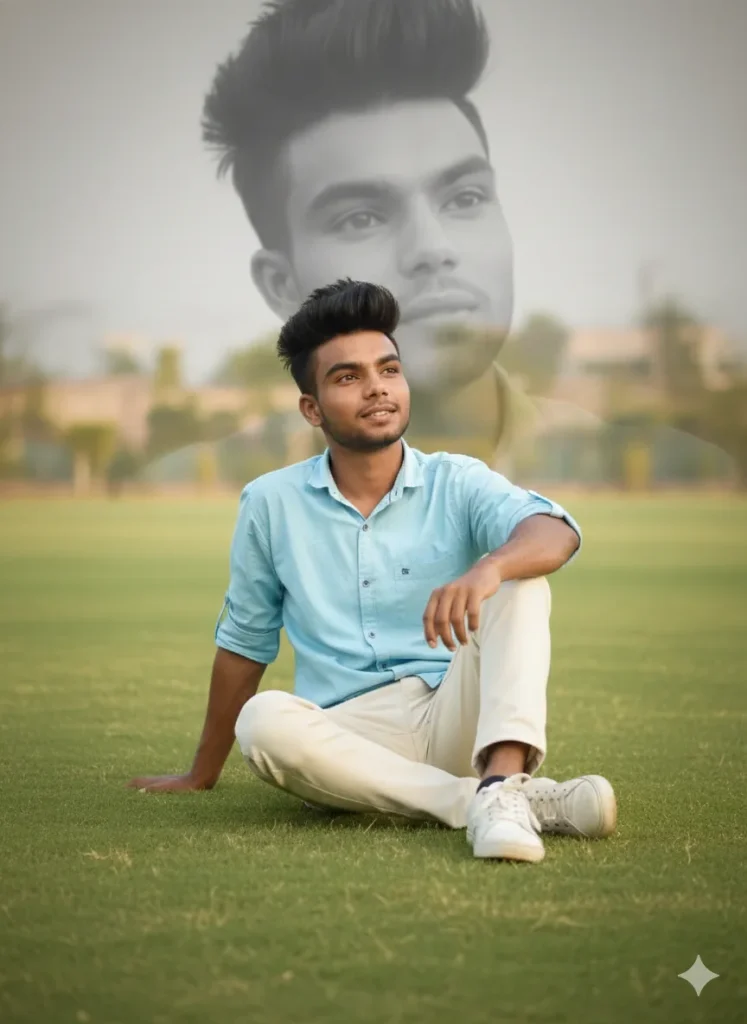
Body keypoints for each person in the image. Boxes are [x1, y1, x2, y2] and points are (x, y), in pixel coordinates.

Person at [130, 280, 617, 863]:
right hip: (348, 741)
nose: (377, 388)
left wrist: (489, 568)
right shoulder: (269, 503)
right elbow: (245, 642)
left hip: (453, 715)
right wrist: (200, 773)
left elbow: (554, 530)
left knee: (521, 580)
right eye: (347, 377)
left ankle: (498, 779)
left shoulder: (456, 479)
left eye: (389, 369)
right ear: (311, 408)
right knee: (262, 722)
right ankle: (496, 800)